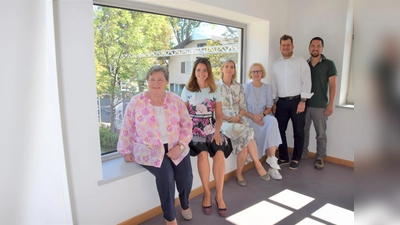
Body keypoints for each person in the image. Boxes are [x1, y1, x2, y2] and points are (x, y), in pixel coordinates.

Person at [117, 66, 193, 225]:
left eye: (160, 80)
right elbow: (127, 126)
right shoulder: (136, 101)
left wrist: (180, 146)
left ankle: (185, 204)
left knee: (185, 175)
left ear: (166, 82)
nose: (156, 83)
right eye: (152, 79)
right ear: (147, 81)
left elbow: (187, 124)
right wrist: (125, 150)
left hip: (175, 145)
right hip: (149, 149)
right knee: (166, 175)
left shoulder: (175, 99)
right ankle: (170, 217)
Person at [181, 58, 232, 217]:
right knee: (202, 155)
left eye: (204, 70)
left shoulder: (214, 89)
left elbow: (219, 114)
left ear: (208, 72)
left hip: (211, 127)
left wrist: (217, 132)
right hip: (194, 129)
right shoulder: (187, 89)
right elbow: (183, 115)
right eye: (198, 70)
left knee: (219, 154)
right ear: (194, 72)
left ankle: (219, 195)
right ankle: (207, 193)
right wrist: (186, 133)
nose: (201, 73)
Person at [217, 60, 271, 185]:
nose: (229, 69)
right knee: (248, 133)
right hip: (224, 122)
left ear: (235, 70)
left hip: (238, 119)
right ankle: (258, 164)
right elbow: (215, 109)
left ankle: (239, 173)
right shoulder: (216, 87)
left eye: (232, 67)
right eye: (226, 67)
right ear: (222, 69)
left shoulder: (239, 86)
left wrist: (238, 117)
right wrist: (228, 118)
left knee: (245, 144)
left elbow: (243, 107)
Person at [271, 34, 312, 171]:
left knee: (298, 131)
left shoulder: (300, 61)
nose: (286, 47)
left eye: (288, 45)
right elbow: (274, 84)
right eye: (283, 45)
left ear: (292, 46)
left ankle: (296, 158)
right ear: (280, 47)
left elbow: (307, 82)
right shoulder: (275, 64)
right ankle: (283, 157)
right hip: (281, 102)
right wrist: (274, 102)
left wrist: (303, 101)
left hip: (297, 101)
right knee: (279, 130)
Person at [301, 37, 337, 170]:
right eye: (312, 45)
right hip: (304, 105)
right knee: (303, 131)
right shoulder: (304, 64)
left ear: (322, 48)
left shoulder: (329, 64)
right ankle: (303, 153)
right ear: (309, 47)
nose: (315, 48)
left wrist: (330, 104)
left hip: (320, 106)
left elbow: (333, 86)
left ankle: (320, 157)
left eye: (318, 46)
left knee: (320, 133)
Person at [243, 62, 283, 180]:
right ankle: (272, 164)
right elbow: (242, 108)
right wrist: (254, 117)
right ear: (250, 74)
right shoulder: (245, 87)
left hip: (263, 116)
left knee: (272, 121)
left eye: (258, 71)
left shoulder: (267, 87)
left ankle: (272, 162)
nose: (256, 73)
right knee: (252, 126)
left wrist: (261, 115)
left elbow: (269, 107)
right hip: (249, 117)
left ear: (262, 73)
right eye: (254, 71)